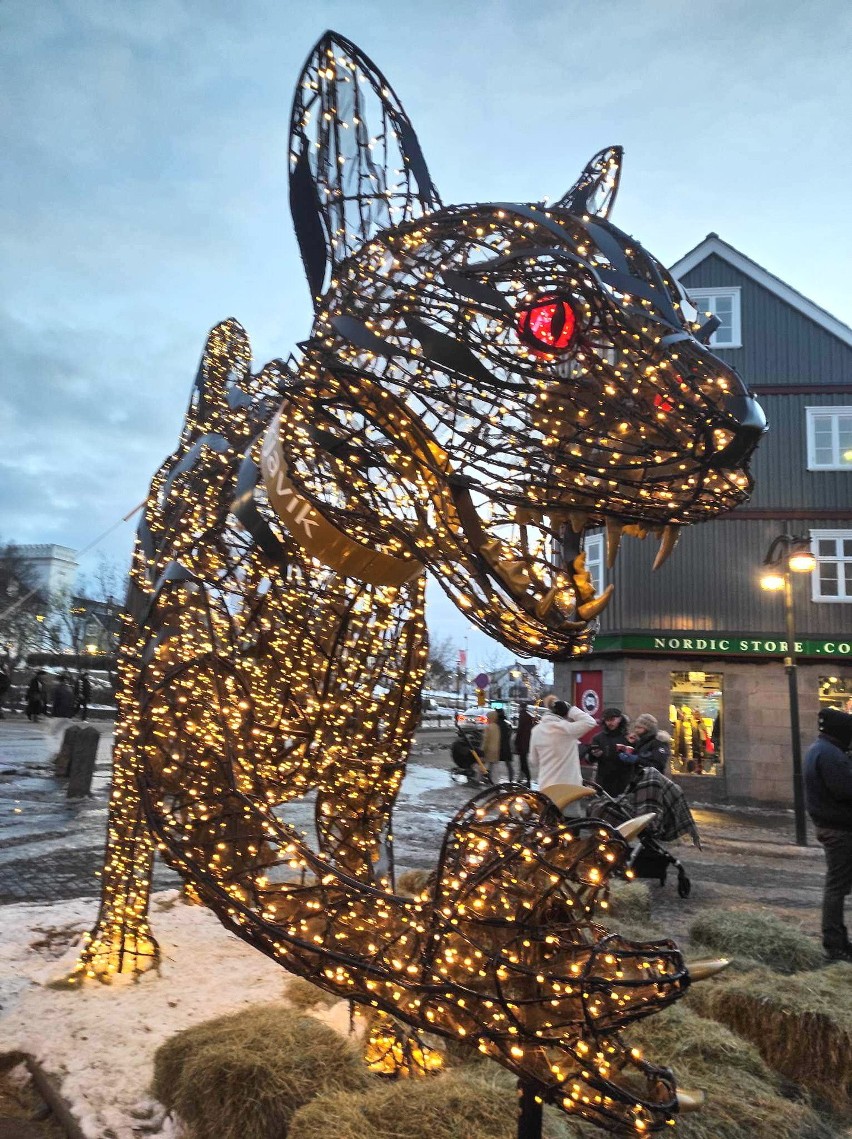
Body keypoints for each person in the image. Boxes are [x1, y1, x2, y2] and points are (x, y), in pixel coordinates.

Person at [804, 708, 852, 962]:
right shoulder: (830, 754)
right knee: (836, 887)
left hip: (833, 826)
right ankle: (835, 942)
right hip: (839, 829)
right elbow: (845, 790)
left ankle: (838, 939)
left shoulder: (821, 749)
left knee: (838, 886)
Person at [529, 699, 597, 814]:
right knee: (570, 824)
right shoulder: (567, 729)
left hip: (547, 786)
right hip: (569, 787)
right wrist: (571, 710)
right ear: (564, 715)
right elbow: (590, 722)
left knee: (549, 822)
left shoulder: (536, 731)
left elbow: (533, 760)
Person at [586, 707, 633, 797]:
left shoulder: (628, 737)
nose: (609, 723)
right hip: (604, 781)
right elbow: (589, 759)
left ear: (619, 719)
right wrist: (593, 755)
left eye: (612, 720)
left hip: (624, 780)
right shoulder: (598, 738)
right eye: (607, 720)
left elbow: (635, 757)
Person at [514, 702, 534, 786]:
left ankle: (528, 779)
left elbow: (520, 730)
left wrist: (516, 741)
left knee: (523, 762)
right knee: (523, 761)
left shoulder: (522, 715)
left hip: (522, 742)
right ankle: (521, 778)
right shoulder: (529, 716)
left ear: (521, 707)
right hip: (527, 742)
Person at [495, 707, 514, 783]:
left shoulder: (496, 724)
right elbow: (509, 735)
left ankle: (493, 779)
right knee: (508, 765)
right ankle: (511, 780)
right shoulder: (507, 724)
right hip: (506, 746)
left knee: (493, 764)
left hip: (498, 746)